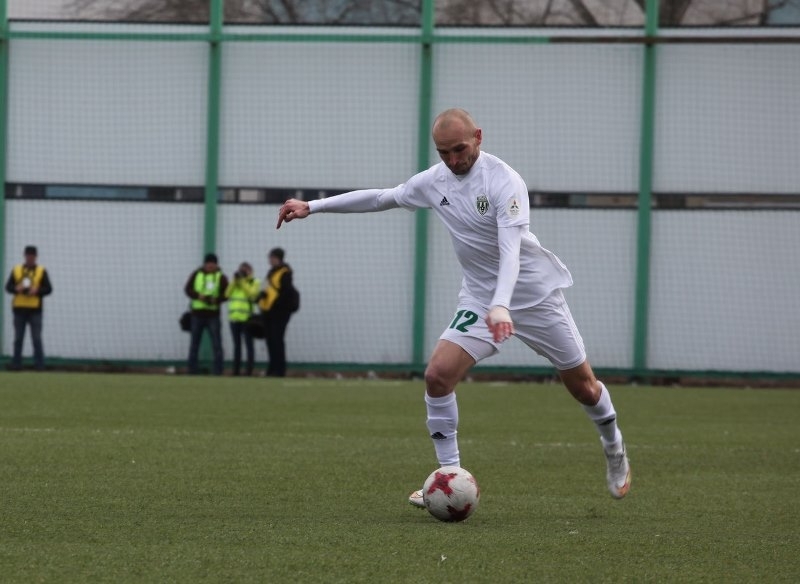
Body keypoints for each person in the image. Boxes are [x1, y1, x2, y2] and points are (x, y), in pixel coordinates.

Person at [276, 108, 631, 504]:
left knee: (583, 387)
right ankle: (448, 477)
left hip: (534, 297)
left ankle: (613, 445)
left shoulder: (504, 181)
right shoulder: (435, 181)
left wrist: (503, 305)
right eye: (443, 152)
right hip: (480, 299)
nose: (452, 160)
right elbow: (381, 198)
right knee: (437, 375)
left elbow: (511, 252)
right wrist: (313, 206)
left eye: (459, 149)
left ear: (478, 136)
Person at [4, 245, 53, 371]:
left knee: (36, 338)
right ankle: (16, 365)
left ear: (36, 257)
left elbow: (49, 289)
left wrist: (37, 291)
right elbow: (8, 287)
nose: (30, 258)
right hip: (19, 309)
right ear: (24, 256)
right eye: (28, 256)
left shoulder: (41, 271)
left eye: (32, 256)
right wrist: (16, 289)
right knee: (18, 338)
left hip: (35, 310)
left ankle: (39, 365)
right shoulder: (16, 270)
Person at [184, 253, 228, 375]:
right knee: (194, 344)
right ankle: (192, 370)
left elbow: (227, 294)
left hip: (213, 315)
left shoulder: (221, 277)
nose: (210, 265)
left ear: (216, 264)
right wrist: (198, 296)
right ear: (204, 264)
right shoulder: (196, 274)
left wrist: (216, 300)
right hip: (197, 315)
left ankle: (218, 371)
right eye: (208, 263)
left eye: (212, 263)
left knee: (217, 344)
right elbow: (187, 289)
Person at [257, 247, 297, 377]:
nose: (270, 260)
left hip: (279, 312)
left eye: (272, 257)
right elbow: (264, 287)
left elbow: (285, 292)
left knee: (277, 340)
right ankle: (272, 368)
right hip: (268, 311)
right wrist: (260, 296)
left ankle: (280, 370)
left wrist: (275, 304)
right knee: (270, 340)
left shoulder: (285, 272)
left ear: (278, 258)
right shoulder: (270, 272)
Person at [225, 261, 260, 376]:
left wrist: (243, 281)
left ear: (250, 271)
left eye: (245, 270)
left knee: (249, 345)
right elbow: (227, 294)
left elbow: (252, 294)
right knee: (237, 346)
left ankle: (249, 371)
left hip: (247, 319)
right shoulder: (235, 283)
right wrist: (234, 281)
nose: (242, 272)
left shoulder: (255, 282)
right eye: (241, 270)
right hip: (234, 318)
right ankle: (236, 371)